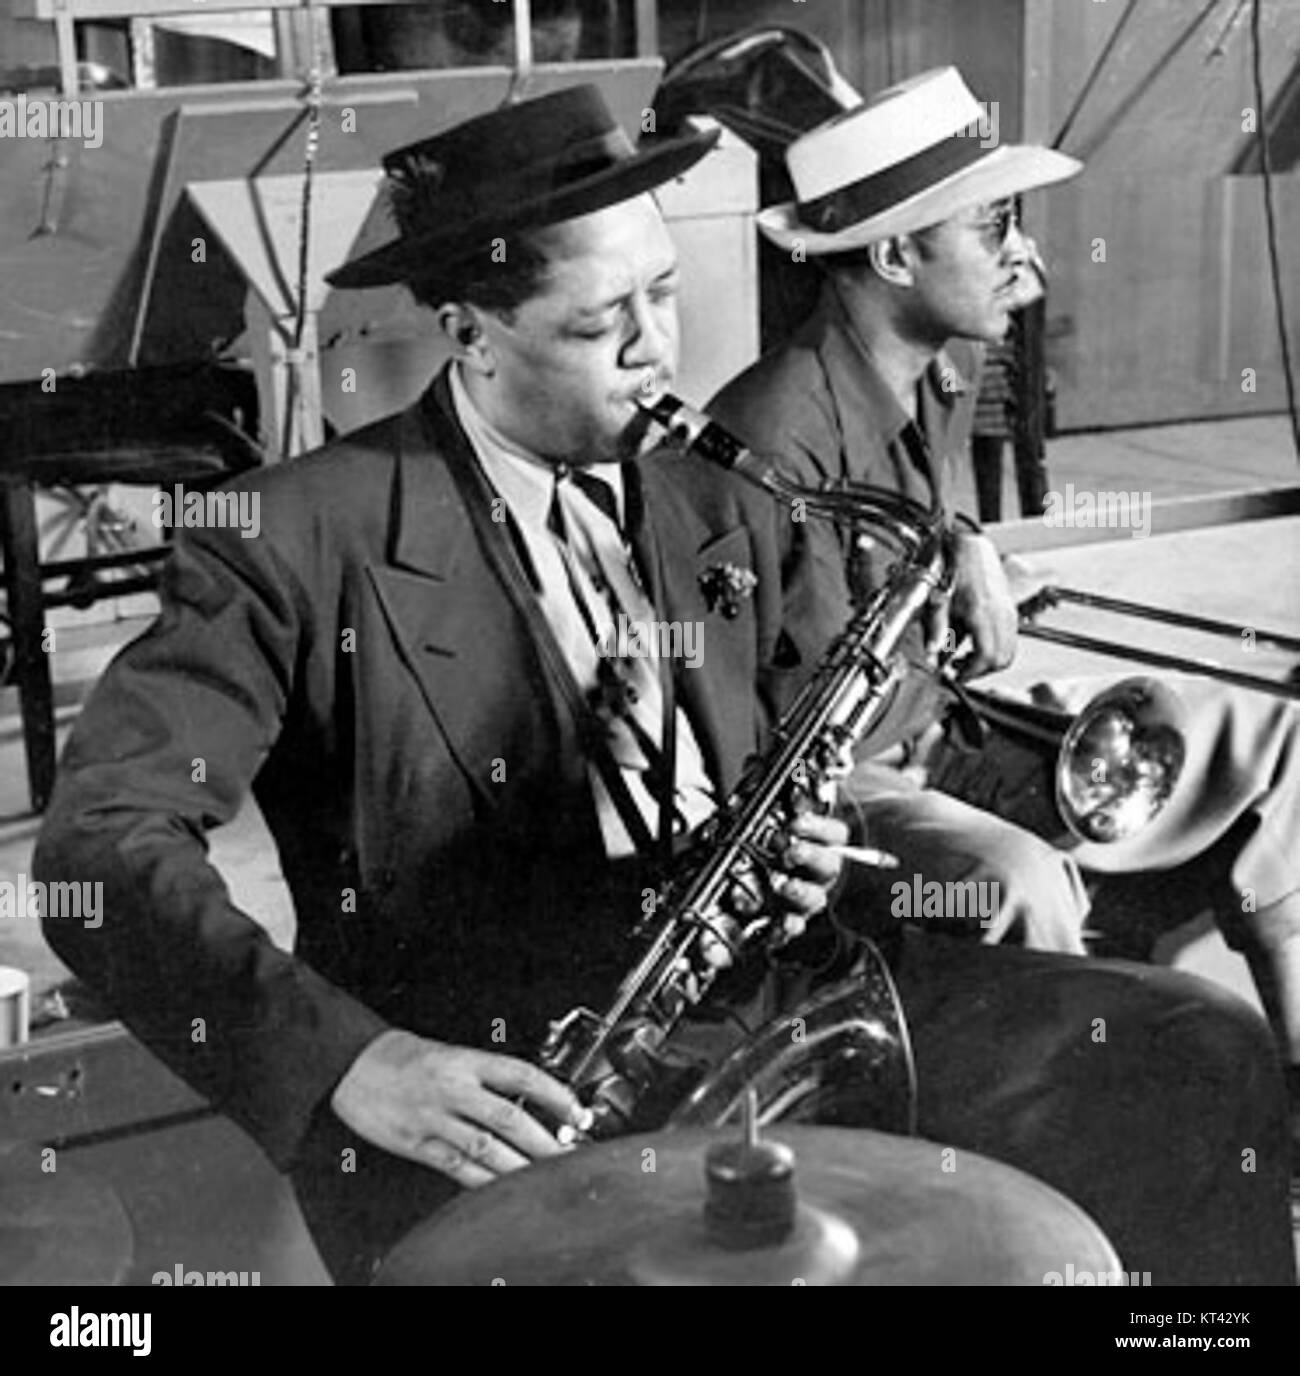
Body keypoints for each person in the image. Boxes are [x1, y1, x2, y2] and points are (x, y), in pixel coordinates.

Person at [35, 85, 1295, 1287]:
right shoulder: (296, 533)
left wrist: (822, 843)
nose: (656, 353)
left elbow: (817, 748)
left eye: (665, 295)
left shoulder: (724, 487)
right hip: (513, 1092)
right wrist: (351, 1061)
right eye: (600, 325)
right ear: (470, 333)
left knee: (1198, 1050)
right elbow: (103, 843)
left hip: (794, 1008)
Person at [708, 67, 1300, 1134]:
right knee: (1015, 878)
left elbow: (921, 572)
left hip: (936, 718)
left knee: (1270, 732)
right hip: (840, 787)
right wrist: (948, 608)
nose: (1026, 256)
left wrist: (966, 547)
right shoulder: (773, 434)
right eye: (991, 229)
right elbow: (785, 729)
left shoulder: (926, 367)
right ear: (893, 255)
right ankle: (1070, 1146)